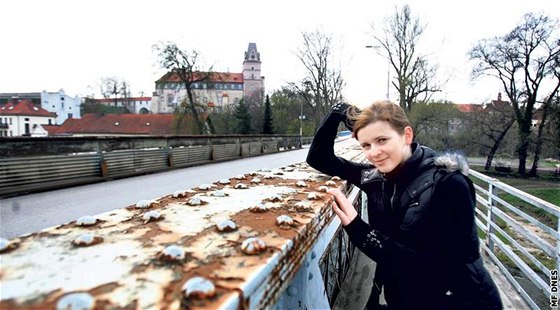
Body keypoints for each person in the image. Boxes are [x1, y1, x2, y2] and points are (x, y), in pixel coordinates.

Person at [306, 101, 503, 310]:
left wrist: (359, 229)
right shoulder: (376, 177)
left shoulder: (448, 185)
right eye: (366, 145)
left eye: (382, 140)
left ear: (406, 136)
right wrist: (339, 112)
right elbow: (319, 158)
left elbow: (435, 271)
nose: (374, 153)